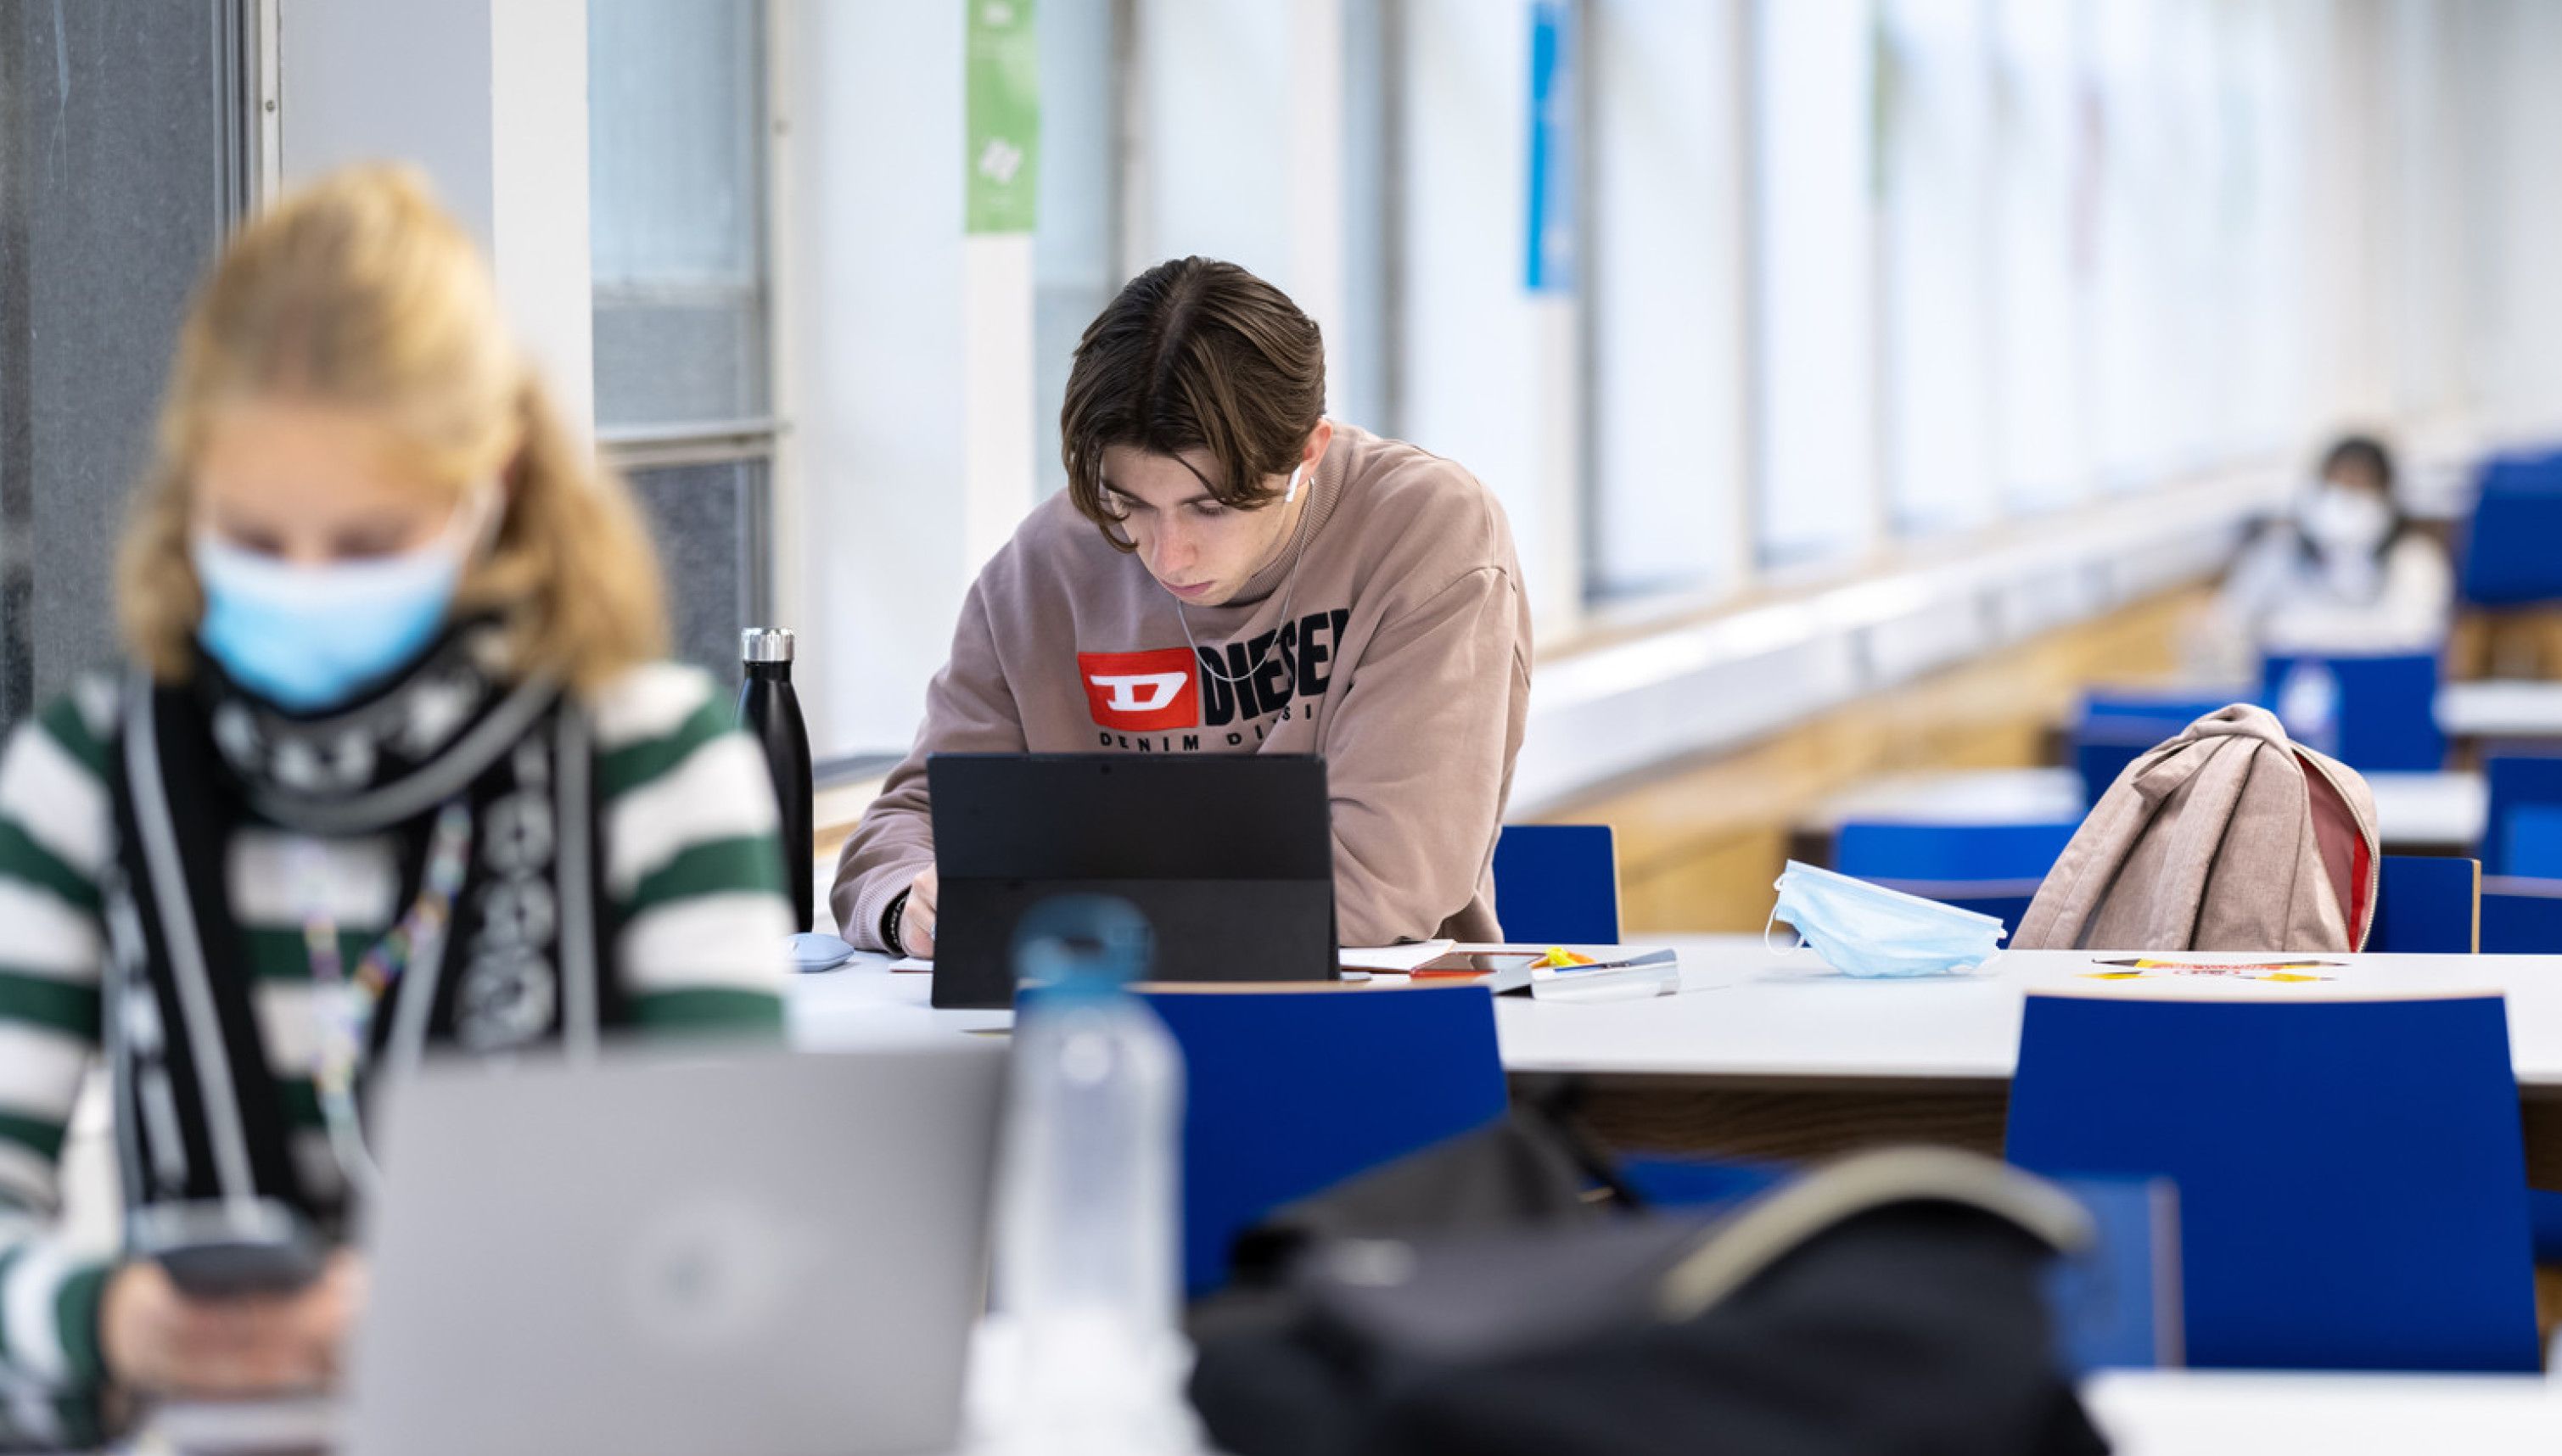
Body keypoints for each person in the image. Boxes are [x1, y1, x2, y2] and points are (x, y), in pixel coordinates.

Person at [0, 165, 792, 1439]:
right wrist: (108, 1318)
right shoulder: (89, 776)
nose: (305, 581)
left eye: (368, 543)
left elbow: (734, 1231)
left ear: (495, 482)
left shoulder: (652, 764)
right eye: (253, 537)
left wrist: (440, 1306)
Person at [834, 257, 1530, 955]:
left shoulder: (1427, 530)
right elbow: (912, 824)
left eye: (1211, 507)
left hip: (1365, 1022)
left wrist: (1045, 908)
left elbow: (1381, 884)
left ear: (1307, 454)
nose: (1168, 556)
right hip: (1086, 1019)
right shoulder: (1046, 562)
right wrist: (910, 904)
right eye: (1129, 503)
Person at [2190, 433, 2454, 679]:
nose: (2343, 499)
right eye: (2334, 483)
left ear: (2386, 495)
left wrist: (2292, 633)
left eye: (2358, 487)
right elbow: (2229, 623)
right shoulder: (2278, 553)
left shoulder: (2416, 561)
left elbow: (2413, 639)